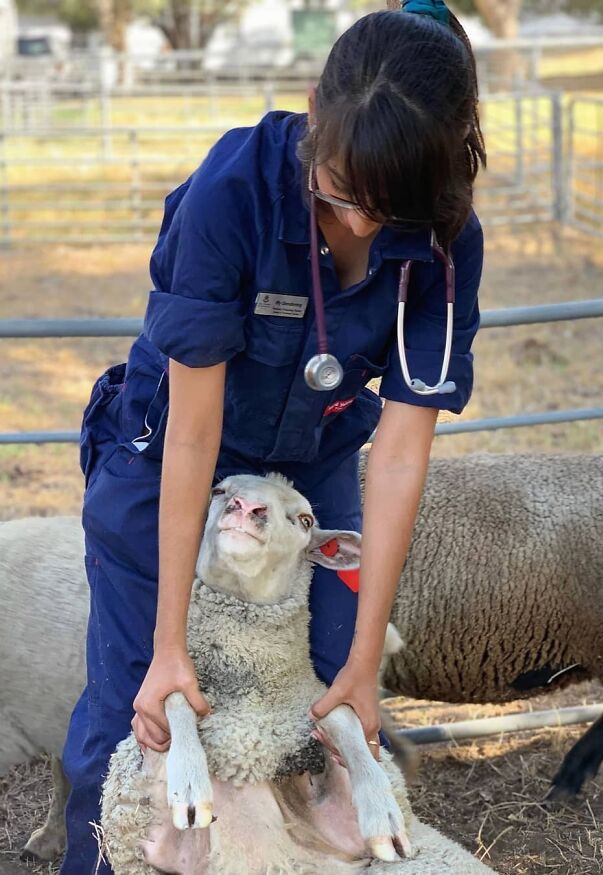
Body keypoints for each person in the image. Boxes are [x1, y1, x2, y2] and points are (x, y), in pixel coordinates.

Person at [60, 3, 486, 872]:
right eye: (340, 190)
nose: (362, 225)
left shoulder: (444, 240)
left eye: (389, 207)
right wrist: (170, 646)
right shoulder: (233, 195)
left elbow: (402, 449)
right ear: (311, 113)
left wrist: (366, 659)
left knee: (322, 694)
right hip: (175, 449)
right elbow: (194, 429)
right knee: (135, 713)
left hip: (313, 461)